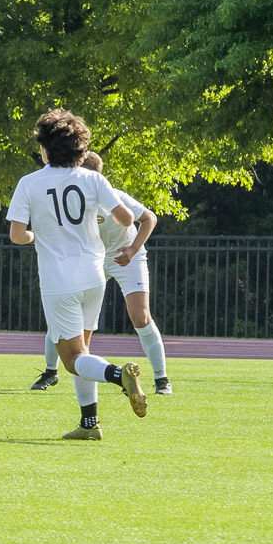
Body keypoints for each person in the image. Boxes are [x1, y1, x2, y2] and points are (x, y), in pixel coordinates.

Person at [6, 109, 147, 440]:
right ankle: (89, 425)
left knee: (72, 361)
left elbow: (16, 235)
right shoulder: (93, 179)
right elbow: (127, 219)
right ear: (79, 149)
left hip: (59, 281)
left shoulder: (29, 183)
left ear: (45, 147)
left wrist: (37, 235)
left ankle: (117, 375)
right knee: (84, 350)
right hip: (93, 276)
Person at [32, 151, 172, 395]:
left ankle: (162, 379)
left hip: (127, 257)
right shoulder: (71, 198)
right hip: (92, 259)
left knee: (140, 316)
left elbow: (149, 218)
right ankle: (50, 372)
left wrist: (133, 249)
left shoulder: (112, 196)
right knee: (66, 313)